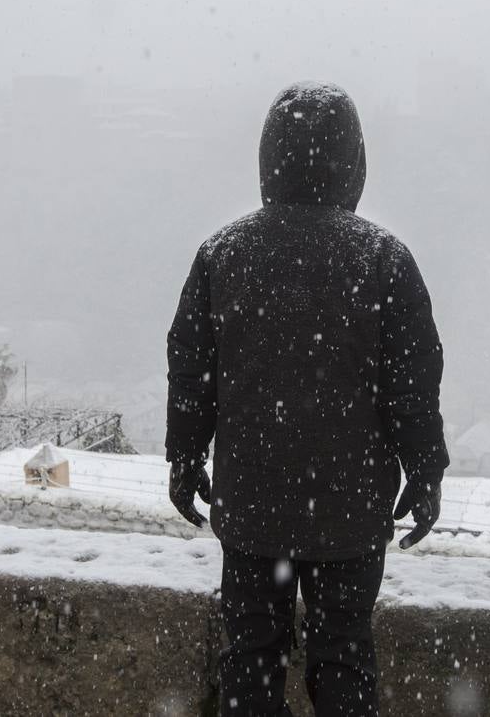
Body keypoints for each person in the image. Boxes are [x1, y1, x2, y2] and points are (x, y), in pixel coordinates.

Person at [165, 81, 448, 717]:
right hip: (349, 509)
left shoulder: (223, 255)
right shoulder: (383, 260)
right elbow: (412, 388)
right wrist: (426, 471)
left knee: (250, 659)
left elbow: (190, 374)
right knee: (344, 656)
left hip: (253, 503)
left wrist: (184, 459)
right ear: (354, 164)